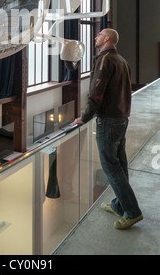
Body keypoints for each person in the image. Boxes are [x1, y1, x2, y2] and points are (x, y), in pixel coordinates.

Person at [73, 28, 143, 230]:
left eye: (99, 35)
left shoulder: (105, 60)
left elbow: (96, 93)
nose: (96, 37)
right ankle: (119, 205)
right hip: (121, 119)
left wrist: (84, 117)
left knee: (111, 167)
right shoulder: (122, 60)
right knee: (120, 164)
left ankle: (132, 212)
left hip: (109, 121)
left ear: (107, 39)